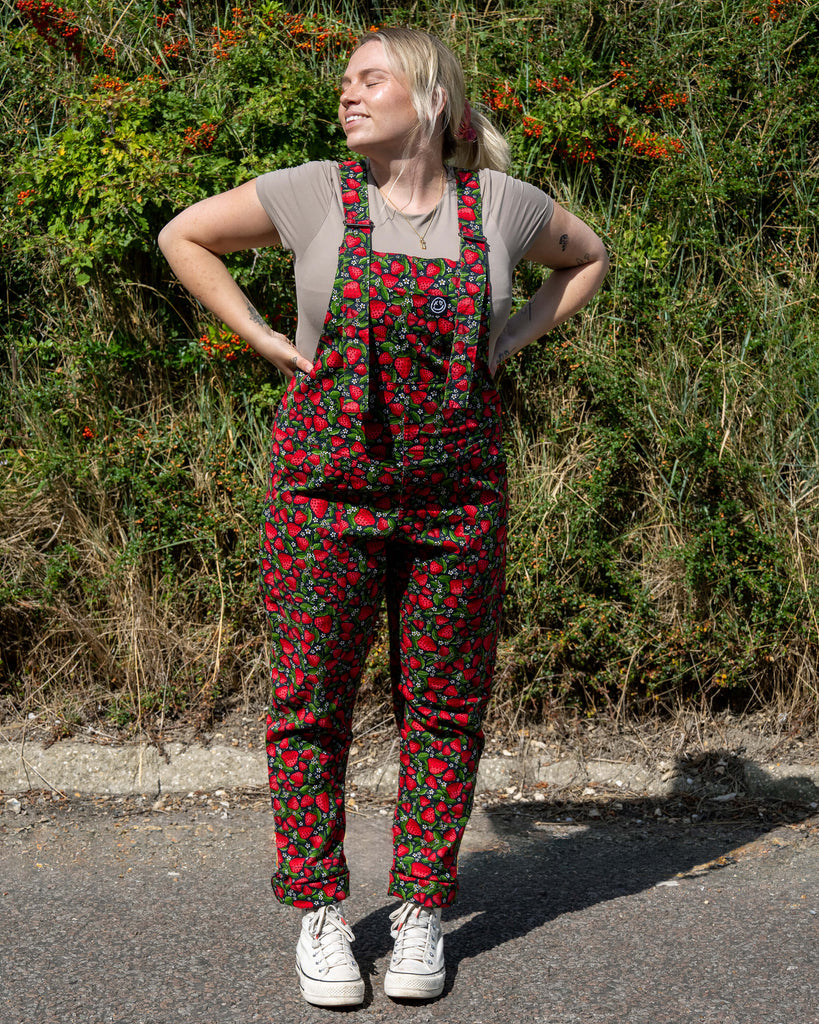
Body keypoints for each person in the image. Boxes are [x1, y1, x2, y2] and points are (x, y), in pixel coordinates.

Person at [158, 25, 608, 1008]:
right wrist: (260, 335)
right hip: (322, 492)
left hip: (459, 497)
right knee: (308, 705)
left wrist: (513, 336)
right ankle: (320, 909)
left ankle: (419, 909)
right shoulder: (314, 192)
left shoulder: (500, 205)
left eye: (371, 78)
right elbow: (181, 234)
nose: (348, 94)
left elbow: (587, 258)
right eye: (345, 81)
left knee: (444, 708)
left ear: (432, 98)